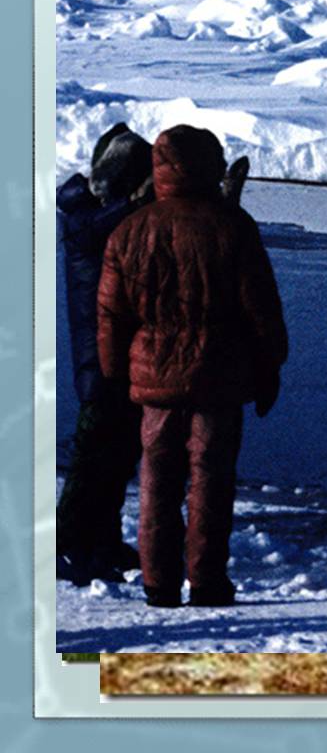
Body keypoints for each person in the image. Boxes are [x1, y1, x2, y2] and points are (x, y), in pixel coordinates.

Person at [98, 125, 288, 608]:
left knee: (156, 481)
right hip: (218, 380)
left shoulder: (130, 229)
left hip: (154, 382)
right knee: (211, 480)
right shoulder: (231, 226)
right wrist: (270, 366)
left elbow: (111, 315)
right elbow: (261, 308)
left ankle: (158, 584)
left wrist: (114, 375)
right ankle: (207, 583)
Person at [55, 124, 152, 586]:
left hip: (118, 358)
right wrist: (135, 204)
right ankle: (65, 543)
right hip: (100, 365)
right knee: (92, 459)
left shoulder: (100, 215)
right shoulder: (82, 217)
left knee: (115, 458)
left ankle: (102, 541)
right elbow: (100, 227)